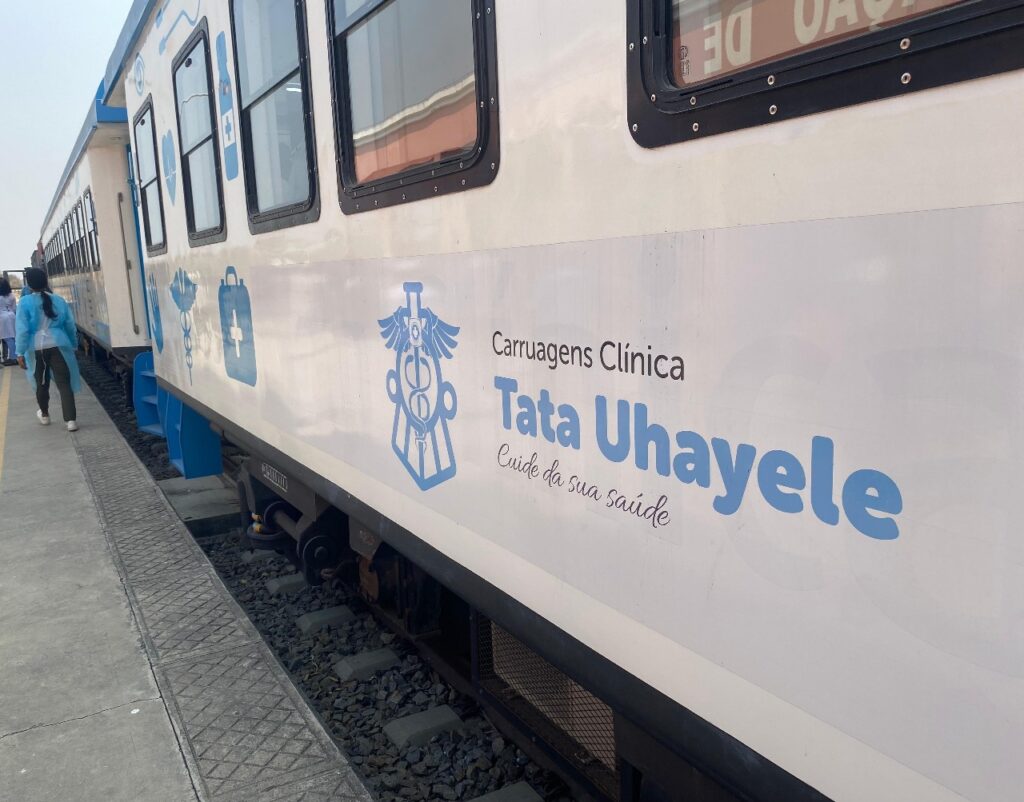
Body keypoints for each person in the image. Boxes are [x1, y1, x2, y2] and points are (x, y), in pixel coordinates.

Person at [16, 268, 81, 431]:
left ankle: (44, 415)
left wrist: (20, 352)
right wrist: (73, 344)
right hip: (59, 345)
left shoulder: (24, 302)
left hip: (36, 347)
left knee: (40, 383)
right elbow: (70, 325)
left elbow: (22, 330)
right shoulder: (58, 300)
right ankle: (70, 421)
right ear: (46, 281)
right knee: (64, 383)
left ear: (29, 284)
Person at [0, 278, 15, 364]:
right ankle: (13, 356)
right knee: (12, 337)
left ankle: (13, 358)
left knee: (7, 338)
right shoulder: (11, 295)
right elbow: (14, 308)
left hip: (2, 317)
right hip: (12, 316)